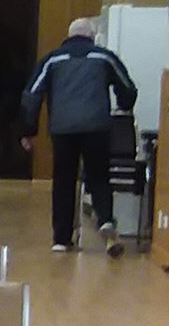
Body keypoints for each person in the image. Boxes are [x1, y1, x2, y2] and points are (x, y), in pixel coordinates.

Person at [21, 16, 139, 255]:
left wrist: (28, 130)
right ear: (91, 35)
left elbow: (32, 95)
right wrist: (124, 106)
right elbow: (127, 87)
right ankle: (105, 219)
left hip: (63, 129)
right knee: (98, 176)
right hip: (97, 127)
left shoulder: (52, 60)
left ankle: (61, 239)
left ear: (69, 35)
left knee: (64, 180)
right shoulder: (103, 57)